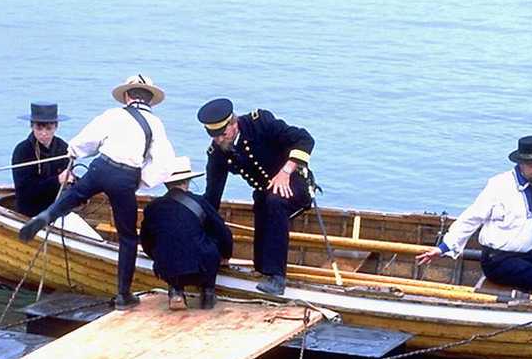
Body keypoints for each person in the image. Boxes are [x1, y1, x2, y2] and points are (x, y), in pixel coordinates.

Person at [19, 74, 175, 310]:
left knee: (74, 196)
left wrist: (73, 151)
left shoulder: (113, 115)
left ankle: (46, 216)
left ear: (127, 96)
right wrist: (141, 181)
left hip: (102, 167)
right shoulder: (156, 124)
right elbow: (164, 164)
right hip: (126, 177)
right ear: (150, 100)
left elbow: (86, 140)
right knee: (128, 237)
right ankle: (123, 296)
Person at [416, 136, 532, 298]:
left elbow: (525, 217)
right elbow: (472, 217)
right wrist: (444, 247)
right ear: (521, 164)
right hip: (500, 261)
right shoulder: (499, 186)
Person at [197, 98, 314, 296]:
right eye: (214, 137)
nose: (219, 140)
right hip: (265, 194)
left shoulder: (260, 123)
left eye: (223, 134)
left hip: (296, 185)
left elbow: (305, 139)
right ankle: (262, 269)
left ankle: (277, 277)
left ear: (234, 124)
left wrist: (285, 171)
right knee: (262, 204)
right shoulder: (217, 152)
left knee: (274, 202)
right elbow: (212, 197)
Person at [140, 156, 233, 311]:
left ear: (166, 183)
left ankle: (176, 291)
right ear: (187, 181)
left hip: (167, 268)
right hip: (201, 268)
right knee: (211, 243)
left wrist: (158, 258)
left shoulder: (152, 207)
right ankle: (208, 293)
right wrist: (225, 255)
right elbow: (223, 233)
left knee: (167, 247)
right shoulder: (200, 202)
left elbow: (146, 241)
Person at [12, 102, 74, 217]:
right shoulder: (22, 150)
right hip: (30, 212)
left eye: (49, 128)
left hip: (57, 209)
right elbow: (25, 191)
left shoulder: (63, 147)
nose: (44, 133)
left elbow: (68, 180)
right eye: (39, 128)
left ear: (56, 126)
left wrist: (73, 181)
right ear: (32, 126)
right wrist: (57, 180)